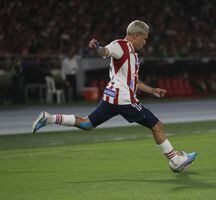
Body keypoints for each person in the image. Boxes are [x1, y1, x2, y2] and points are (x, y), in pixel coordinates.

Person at [32, 20, 197, 172]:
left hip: (111, 97)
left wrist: (152, 90)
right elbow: (105, 51)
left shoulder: (132, 53)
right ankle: (175, 161)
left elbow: (133, 81)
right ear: (135, 35)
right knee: (157, 126)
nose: (145, 42)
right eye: (144, 39)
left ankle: (49, 118)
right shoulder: (121, 45)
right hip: (123, 99)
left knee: (87, 124)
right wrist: (97, 47)